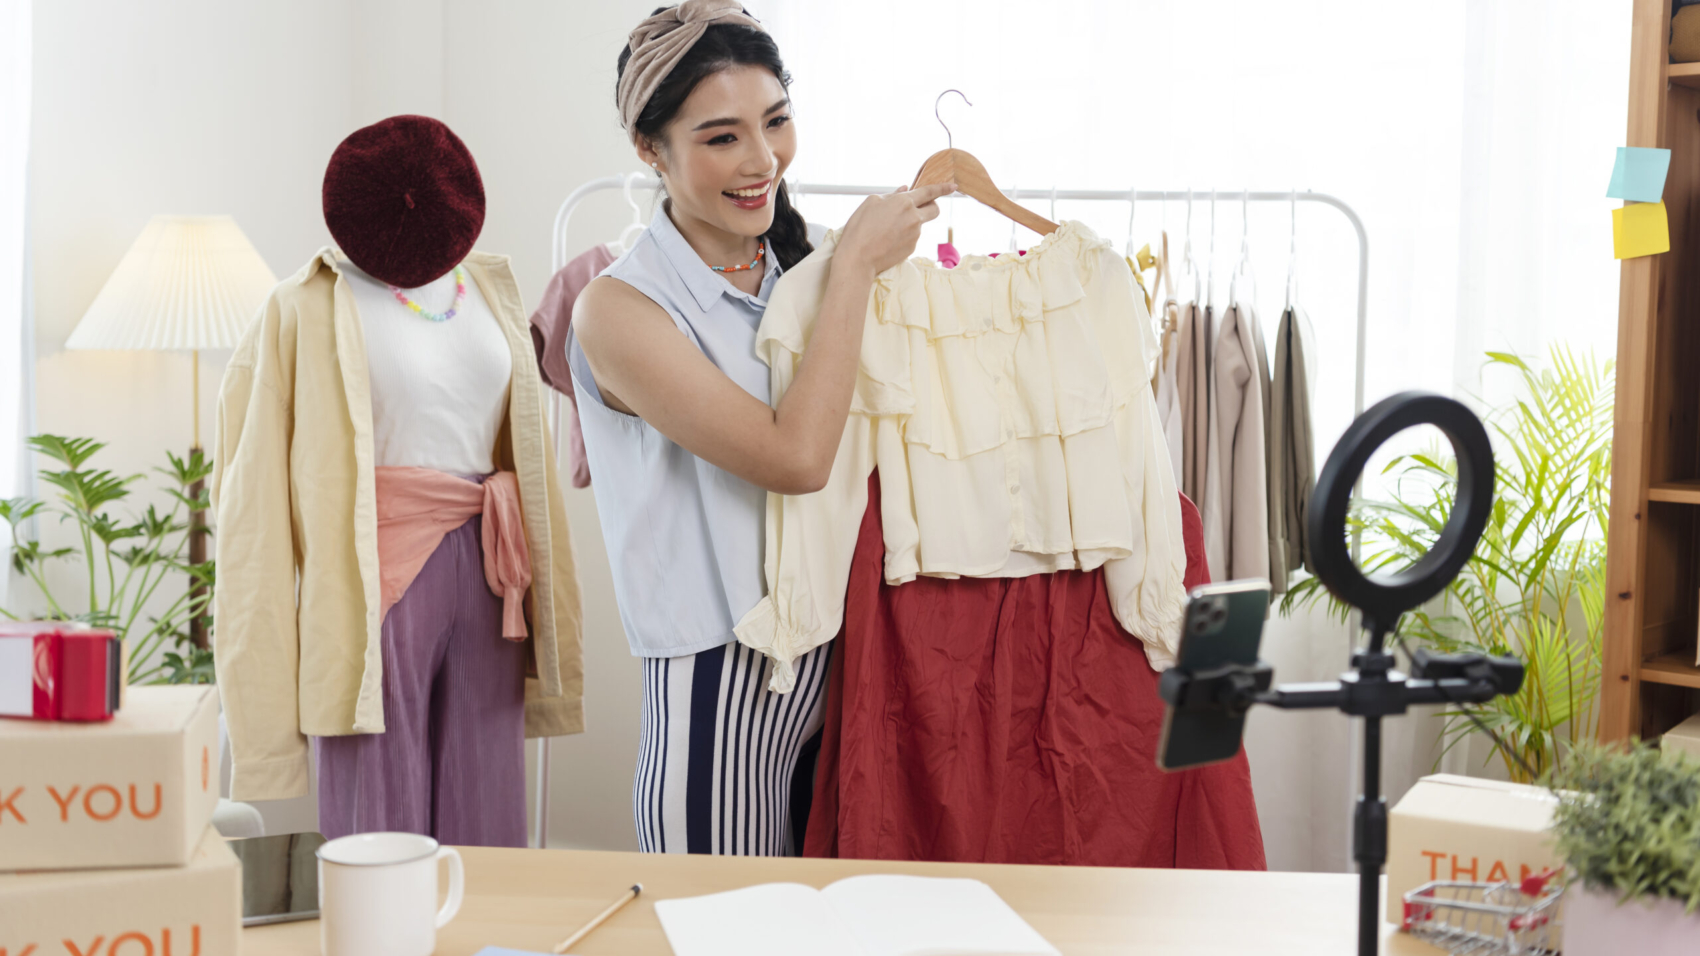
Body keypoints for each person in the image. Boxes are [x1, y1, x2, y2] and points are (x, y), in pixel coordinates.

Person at [569, 0, 953, 855]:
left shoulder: (804, 262)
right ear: (649, 148)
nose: (761, 160)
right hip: (716, 687)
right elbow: (796, 457)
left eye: (776, 122)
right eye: (720, 137)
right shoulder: (621, 310)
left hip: (839, 664)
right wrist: (850, 266)